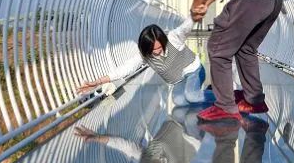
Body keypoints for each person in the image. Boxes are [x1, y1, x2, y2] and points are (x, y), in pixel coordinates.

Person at [76, 19, 217, 105]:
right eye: (152, 49)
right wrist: (98, 82)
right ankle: (208, 92)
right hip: (179, 80)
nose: (157, 51)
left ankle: (226, 98)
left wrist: (198, 8)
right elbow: (125, 69)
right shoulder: (145, 55)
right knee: (179, 101)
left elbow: (186, 25)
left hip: (194, 71)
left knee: (191, 96)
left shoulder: (173, 38)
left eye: (159, 47)